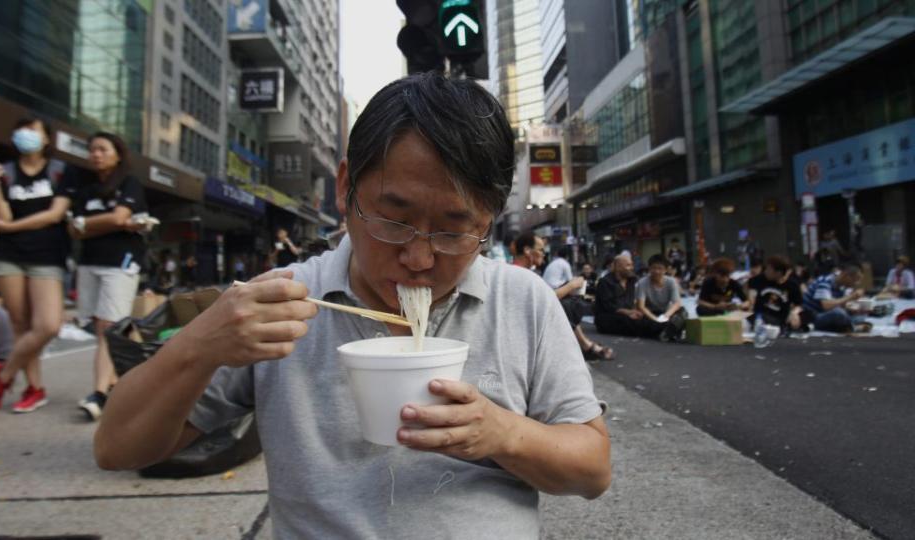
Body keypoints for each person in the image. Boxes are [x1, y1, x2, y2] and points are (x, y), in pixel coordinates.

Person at [94, 73, 610, 537]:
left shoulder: (523, 300)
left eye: (454, 230)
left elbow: (593, 470)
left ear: (488, 222)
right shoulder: (283, 301)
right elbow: (118, 448)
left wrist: (502, 432)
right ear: (345, 188)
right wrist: (199, 344)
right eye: (393, 219)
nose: (417, 257)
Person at [0, 116, 73, 413]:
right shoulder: (5, 172)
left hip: (47, 256)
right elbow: (0, 218)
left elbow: (54, 215)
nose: (25, 135)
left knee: (47, 325)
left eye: (33, 130)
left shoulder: (60, 172)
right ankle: (34, 388)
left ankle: (2, 374)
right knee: (21, 325)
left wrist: (8, 228)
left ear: (47, 139)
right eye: (21, 130)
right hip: (8, 257)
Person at [66, 132, 148, 420]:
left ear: (118, 153)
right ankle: (121, 381)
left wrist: (101, 223)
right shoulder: (86, 189)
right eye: (91, 150)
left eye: (102, 149)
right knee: (111, 327)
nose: (95, 154)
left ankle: (98, 394)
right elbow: (74, 229)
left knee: (107, 327)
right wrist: (116, 223)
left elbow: (108, 219)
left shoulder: (129, 183)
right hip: (89, 262)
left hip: (120, 262)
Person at [542, 245, 614, 361]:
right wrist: (574, 284)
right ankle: (585, 345)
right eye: (540, 250)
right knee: (571, 304)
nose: (543, 253)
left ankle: (583, 342)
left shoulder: (552, 264)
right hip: (553, 294)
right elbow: (572, 282)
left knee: (569, 304)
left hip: (552, 293)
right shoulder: (563, 264)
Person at [595, 253, 678, 340]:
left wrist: (636, 311)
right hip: (609, 318)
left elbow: (633, 301)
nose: (632, 267)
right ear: (618, 267)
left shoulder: (632, 280)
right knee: (630, 321)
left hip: (629, 313)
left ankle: (665, 328)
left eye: (631, 265)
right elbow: (609, 306)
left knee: (645, 317)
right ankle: (664, 328)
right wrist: (628, 312)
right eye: (628, 265)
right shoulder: (605, 282)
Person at [802, 265, 870, 333]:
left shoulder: (842, 286)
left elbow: (839, 303)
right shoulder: (825, 281)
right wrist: (851, 297)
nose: (856, 283)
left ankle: (846, 326)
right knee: (839, 313)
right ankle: (851, 327)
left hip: (827, 313)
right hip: (814, 315)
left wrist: (853, 309)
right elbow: (826, 306)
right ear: (846, 276)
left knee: (861, 314)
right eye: (855, 280)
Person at [747, 255, 804, 332]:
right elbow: (751, 295)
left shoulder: (791, 285)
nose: (766, 271)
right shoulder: (759, 279)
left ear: (778, 273)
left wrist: (794, 313)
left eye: (769, 269)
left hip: (779, 318)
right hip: (759, 316)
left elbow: (799, 304)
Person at [635, 254, 687, 328]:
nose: (657, 271)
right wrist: (655, 319)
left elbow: (677, 303)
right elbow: (641, 306)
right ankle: (666, 330)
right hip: (649, 314)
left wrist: (665, 316)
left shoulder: (671, 282)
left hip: (666, 312)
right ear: (649, 268)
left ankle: (666, 329)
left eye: (660, 268)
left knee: (683, 312)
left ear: (665, 270)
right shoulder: (642, 283)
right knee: (638, 319)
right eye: (654, 268)